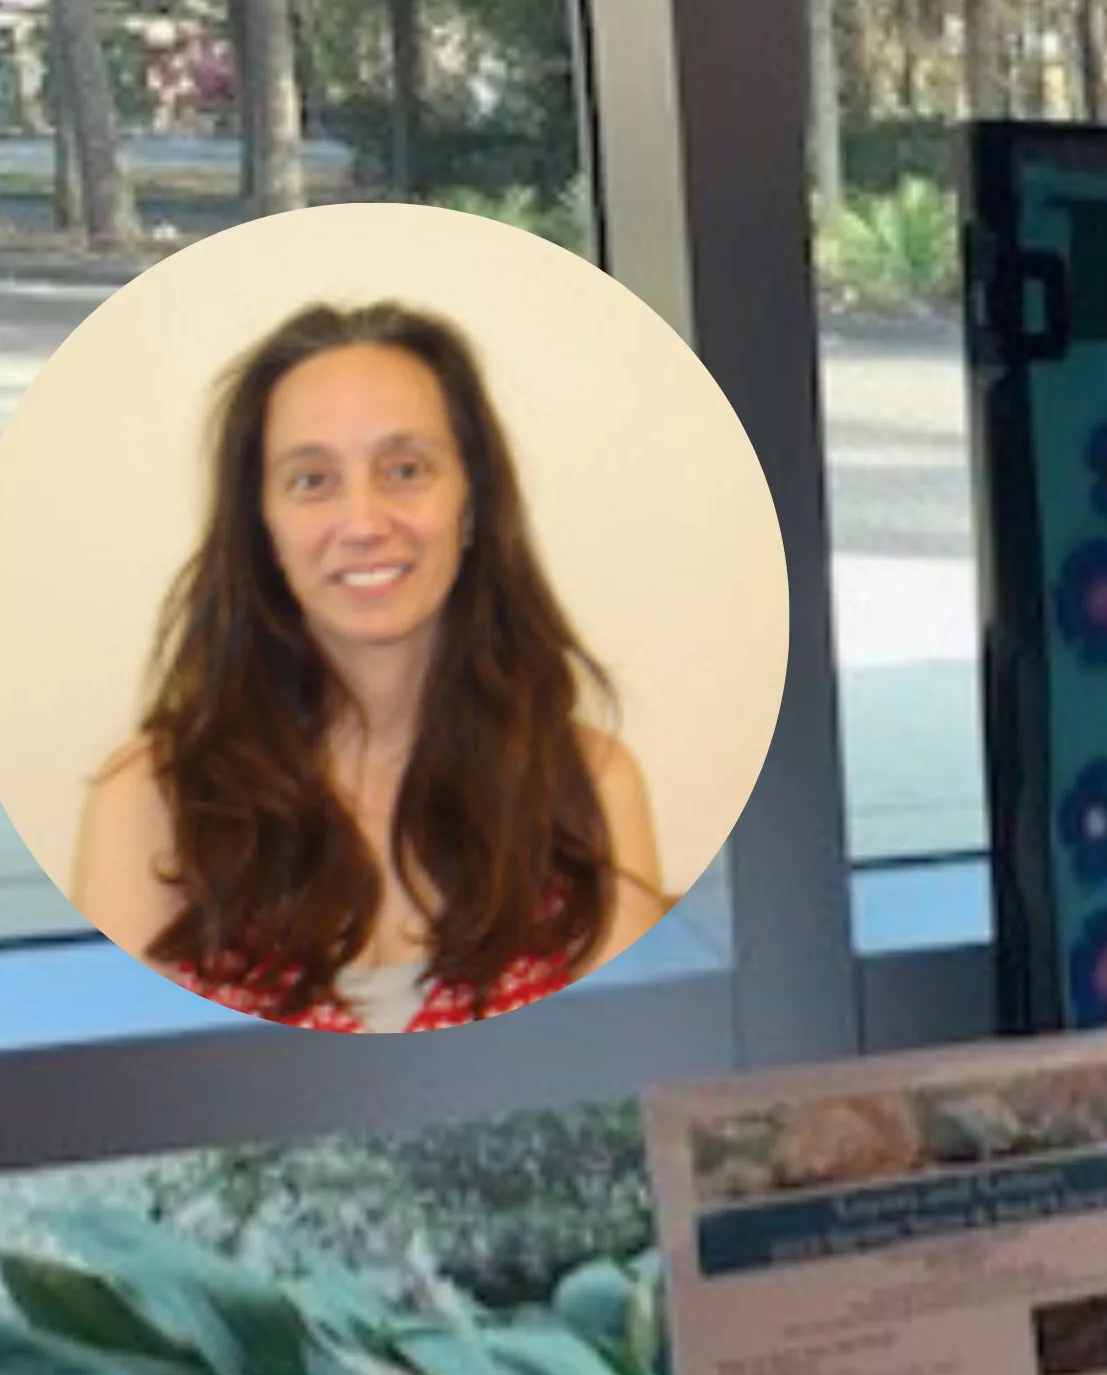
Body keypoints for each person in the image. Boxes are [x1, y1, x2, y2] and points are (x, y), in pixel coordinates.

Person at [73, 300, 668, 1032]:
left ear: (473, 501)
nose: (363, 522)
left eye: (405, 469)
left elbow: (638, 1084)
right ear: (261, 528)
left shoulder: (592, 788)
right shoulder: (148, 805)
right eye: (312, 481)